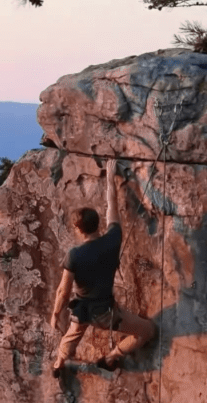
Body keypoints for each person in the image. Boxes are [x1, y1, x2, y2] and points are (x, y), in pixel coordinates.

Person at [50, 159, 156, 377]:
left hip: (82, 311)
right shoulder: (113, 239)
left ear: (78, 228)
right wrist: (110, 178)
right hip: (107, 313)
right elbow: (112, 206)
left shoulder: (74, 256)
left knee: (72, 334)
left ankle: (59, 362)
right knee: (147, 330)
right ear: (97, 224)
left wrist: (56, 313)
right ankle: (112, 356)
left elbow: (63, 290)